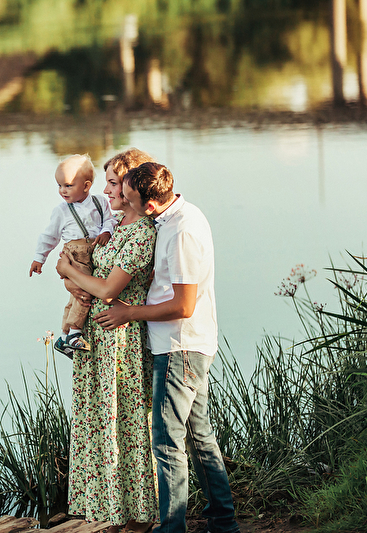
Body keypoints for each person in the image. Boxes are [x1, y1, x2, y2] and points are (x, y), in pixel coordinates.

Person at [95, 162, 239, 533]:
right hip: (185, 344)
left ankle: (172, 528)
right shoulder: (174, 217)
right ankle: (223, 522)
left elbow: (183, 305)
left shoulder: (182, 232)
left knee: (166, 441)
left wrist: (130, 313)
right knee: (199, 437)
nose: (120, 201)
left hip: (180, 346)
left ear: (151, 205)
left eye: (127, 198)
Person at [55, 148, 159, 533]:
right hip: (95, 340)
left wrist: (68, 270)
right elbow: (88, 278)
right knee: (98, 423)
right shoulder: (113, 229)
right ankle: (109, 512)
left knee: (124, 424)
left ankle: (137, 517)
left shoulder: (141, 234)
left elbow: (109, 289)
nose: (106, 189)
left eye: (114, 182)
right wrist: (70, 278)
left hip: (120, 343)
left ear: (134, 186)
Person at [29, 154, 115, 355]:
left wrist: (106, 231)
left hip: (93, 250)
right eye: (59, 185)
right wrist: (39, 258)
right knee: (84, 294)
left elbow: (110, 220)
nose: (62, 191)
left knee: (74, 295)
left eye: (67, 185)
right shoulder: (62, 210)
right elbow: (49, 236)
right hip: (75, 253)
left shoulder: (100, 202)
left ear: (86, 186)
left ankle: (64, 335)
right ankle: (75, 333)